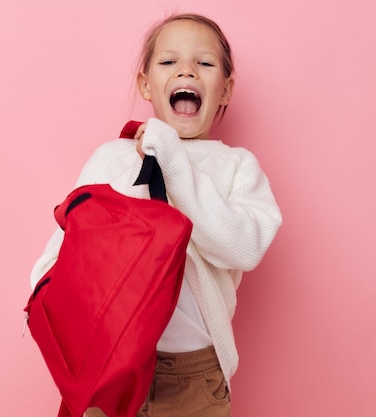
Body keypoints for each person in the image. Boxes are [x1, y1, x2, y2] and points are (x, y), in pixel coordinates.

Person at [30, 13, 282, 417]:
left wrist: (175, 162)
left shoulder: (236, 166)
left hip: (191, 375)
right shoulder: (111, 158)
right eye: (169, 62)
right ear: (146, 84)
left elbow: (244, 247)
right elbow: (60, 256)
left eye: (205, 63)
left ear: (225, 90)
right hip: (107, 366)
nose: (187, 70)